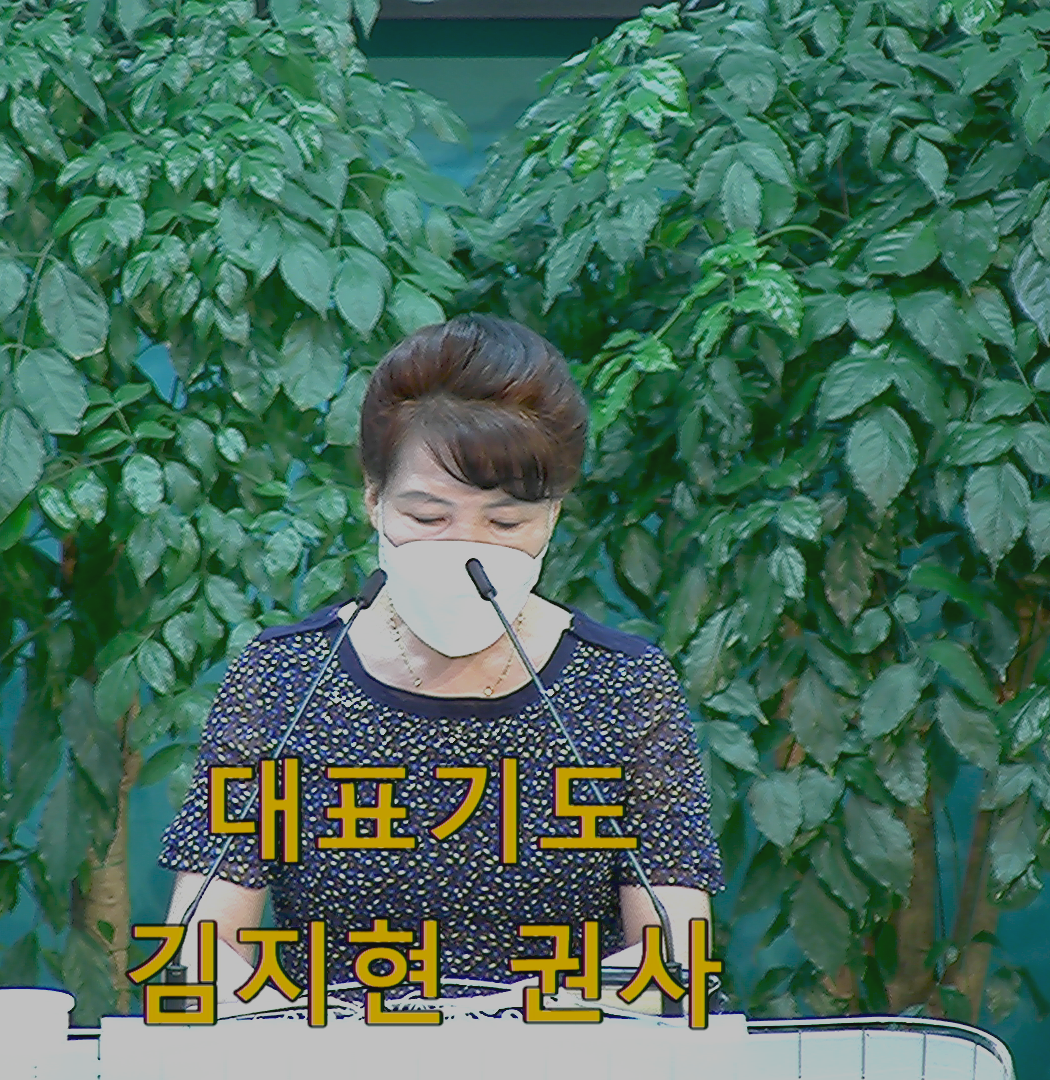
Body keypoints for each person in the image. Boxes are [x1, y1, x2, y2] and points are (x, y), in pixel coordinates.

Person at [155, 314, 724, 1005]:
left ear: (552, 517)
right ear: (373, 501)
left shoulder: (623, 684)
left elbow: (677, 948)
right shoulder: (284, 677)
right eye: (428, 519)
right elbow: (202, 941)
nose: (465, 546)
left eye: (506, 522)